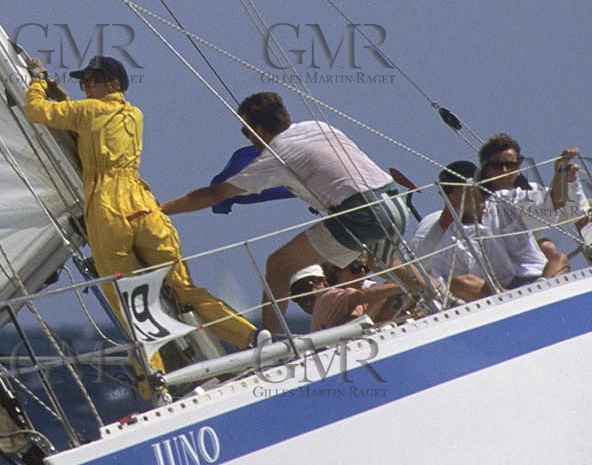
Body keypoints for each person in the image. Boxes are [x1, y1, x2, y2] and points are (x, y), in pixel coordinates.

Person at [22, 55, 258, 350]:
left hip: (108, 208)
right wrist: (64, 98)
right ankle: (250, 336)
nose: (86, 86)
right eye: (83, 82)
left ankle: (153, 370)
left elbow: (35, 110)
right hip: (144, 206)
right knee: (184, 287)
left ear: (113, 83)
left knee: (128, 298)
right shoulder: (135, 114)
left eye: (92, 80)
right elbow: (91, 131)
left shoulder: (87, 110)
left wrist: (37, 80)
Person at [162, 91, 412, 329]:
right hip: (394, 202)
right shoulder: (318, 127)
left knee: (278, 265)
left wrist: (159, 210)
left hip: (361, 213)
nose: (248, 138)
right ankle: (430, 292)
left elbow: (213, 194)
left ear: (260, 130)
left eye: (246, 131)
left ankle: (268, 343)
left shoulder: (276, 156)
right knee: (382, 263)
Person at [476, 133, 578, 280]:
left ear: (518, 168)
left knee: (551, 250)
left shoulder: (528, 192)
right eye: (498, 165)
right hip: (498, 270)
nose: (504, 170)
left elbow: (556, 203)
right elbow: (555, 202)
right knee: (551, 251)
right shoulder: (477, 202)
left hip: (528, 255)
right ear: (487, 170)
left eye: (511, 165)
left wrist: (566, 177)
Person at [407, 161, 492, 301]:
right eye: (444, 192)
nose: (447, 196)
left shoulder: (505, 211)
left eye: (449, 189)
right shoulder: (440, 229)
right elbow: (425, 273)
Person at [307, 256, 406, 331]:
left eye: (365, 269)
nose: (363, 274)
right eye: (355, 268)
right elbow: (362, 295)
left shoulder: (361, 301)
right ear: (335, 271)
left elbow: (378, 317)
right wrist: (404, 285)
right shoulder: (328, 296)